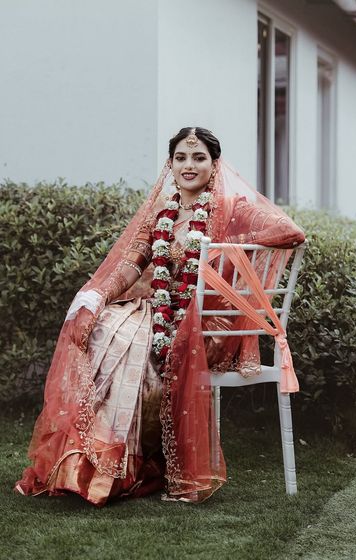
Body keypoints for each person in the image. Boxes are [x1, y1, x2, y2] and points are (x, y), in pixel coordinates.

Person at [15, 127, 305, 506]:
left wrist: (225, 247)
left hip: (207, 324)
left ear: (215, 165)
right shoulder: (161, 212)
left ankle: (120, 468)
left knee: (128, 340)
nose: (189, 165)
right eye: (181, 158)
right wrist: (98, 294)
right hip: (162, 310)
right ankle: (97, 463)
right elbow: (132, 266)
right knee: (105, 328)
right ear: (170, 164)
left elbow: (291, 231)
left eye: (199, 158)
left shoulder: (233, 209)